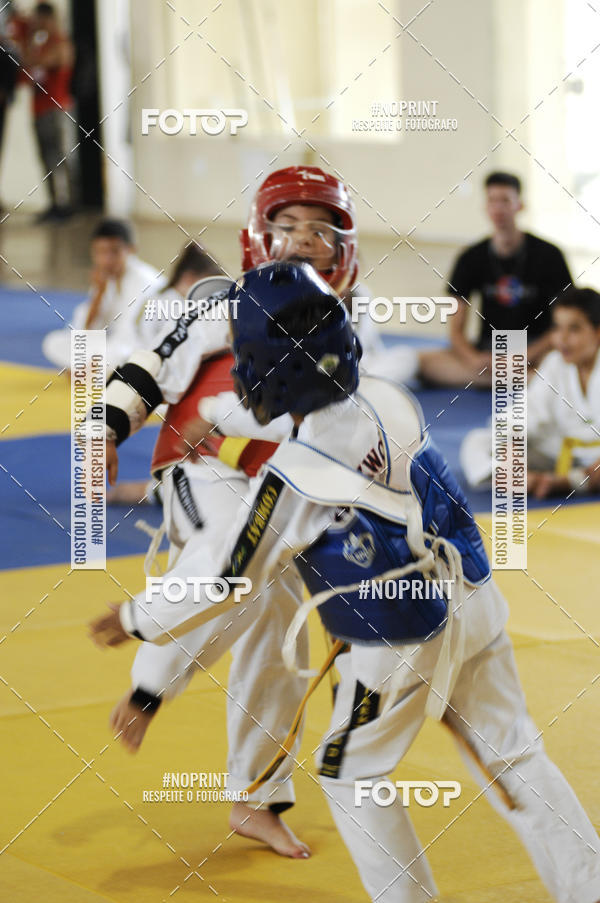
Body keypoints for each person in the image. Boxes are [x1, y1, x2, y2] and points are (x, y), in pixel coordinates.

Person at [89, 261, 600, 903]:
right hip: (476, 601)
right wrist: (218, 423)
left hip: (403, 639)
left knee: (349, 773)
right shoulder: (388, 396)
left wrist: (135, 619)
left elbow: (225, 581)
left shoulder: (294, 483)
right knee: (517, 755)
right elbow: (299, 418)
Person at [90, 166, 368, 858]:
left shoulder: (355, 324)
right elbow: (152, 366)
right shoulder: (226, 300)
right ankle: (147, 683)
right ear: (258, 238)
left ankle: (256, 796)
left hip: (276, 490)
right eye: (288, 227)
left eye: (321, 230)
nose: (304, 241)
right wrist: (104, 429)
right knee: (237, 560)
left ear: (345, 247)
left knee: (278, 621)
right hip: (199, 465)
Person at [419, 171, 573, 387]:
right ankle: (520, 381)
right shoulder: (470, 257)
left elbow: (564, 323)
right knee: (423, 363)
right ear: (485, 206)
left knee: (565, 365)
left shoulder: (549, 255)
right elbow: (455, 331)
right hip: (489, 352)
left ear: (520, 205)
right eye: (492, 200)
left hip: (536, 352)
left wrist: (526, 356)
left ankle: (508, 379)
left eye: (506, 201)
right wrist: (474, 359)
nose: (498, 208)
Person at [460, 287, 600, 497]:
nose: (562, 339)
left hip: (594, 462)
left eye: (574, 329)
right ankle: (520, 480)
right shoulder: (555, 363)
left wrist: (575, 479)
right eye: (557, 328)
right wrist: (510, 447)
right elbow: (525, 412)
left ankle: (566, 483)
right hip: (558, 452)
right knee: (478, 440)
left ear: (597, 331)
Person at [42, 218, 165, 373]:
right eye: (100, 252)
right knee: (53, 342)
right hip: (110, 347)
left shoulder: (146, 283)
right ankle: (96, 371)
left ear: (131, 250)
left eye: (114, 252)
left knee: (118, 357)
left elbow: (133, 339)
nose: (107, 260)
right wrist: (99, 293)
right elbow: (86, 331)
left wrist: (89, 364)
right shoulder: (104, 278)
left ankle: (97, 372)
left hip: (137, 350)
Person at [23, 2, 77, 221]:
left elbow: (41, 62)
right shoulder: (41, 43)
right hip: (38, 108)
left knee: (59, 156)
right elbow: (26, 67)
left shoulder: (60, 43)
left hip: (55, 107)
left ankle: (69, 205)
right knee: (45, 158)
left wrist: (28, 40)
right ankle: (55, 203)